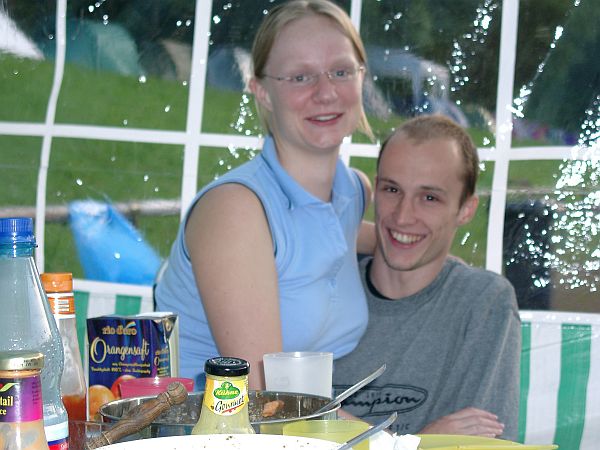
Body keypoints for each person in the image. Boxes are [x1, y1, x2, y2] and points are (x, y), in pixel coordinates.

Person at [155, 0, 376, 389]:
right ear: (262, 92)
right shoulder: (236, 210)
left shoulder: (352, 192)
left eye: (341, 71)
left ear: (362, 78)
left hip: (312, 412)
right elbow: (264, 398)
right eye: (300, 77)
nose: (326, 92)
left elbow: (334, 236)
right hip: (210, 418)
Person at [333, 115, 522, 440]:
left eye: (430, 198)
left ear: (466, 209)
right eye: (392, 189)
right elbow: (281, 421)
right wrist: (418, 443)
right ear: (376, 189)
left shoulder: (483, 301)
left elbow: (479, 445)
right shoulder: (321, 291)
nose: (403, 216)